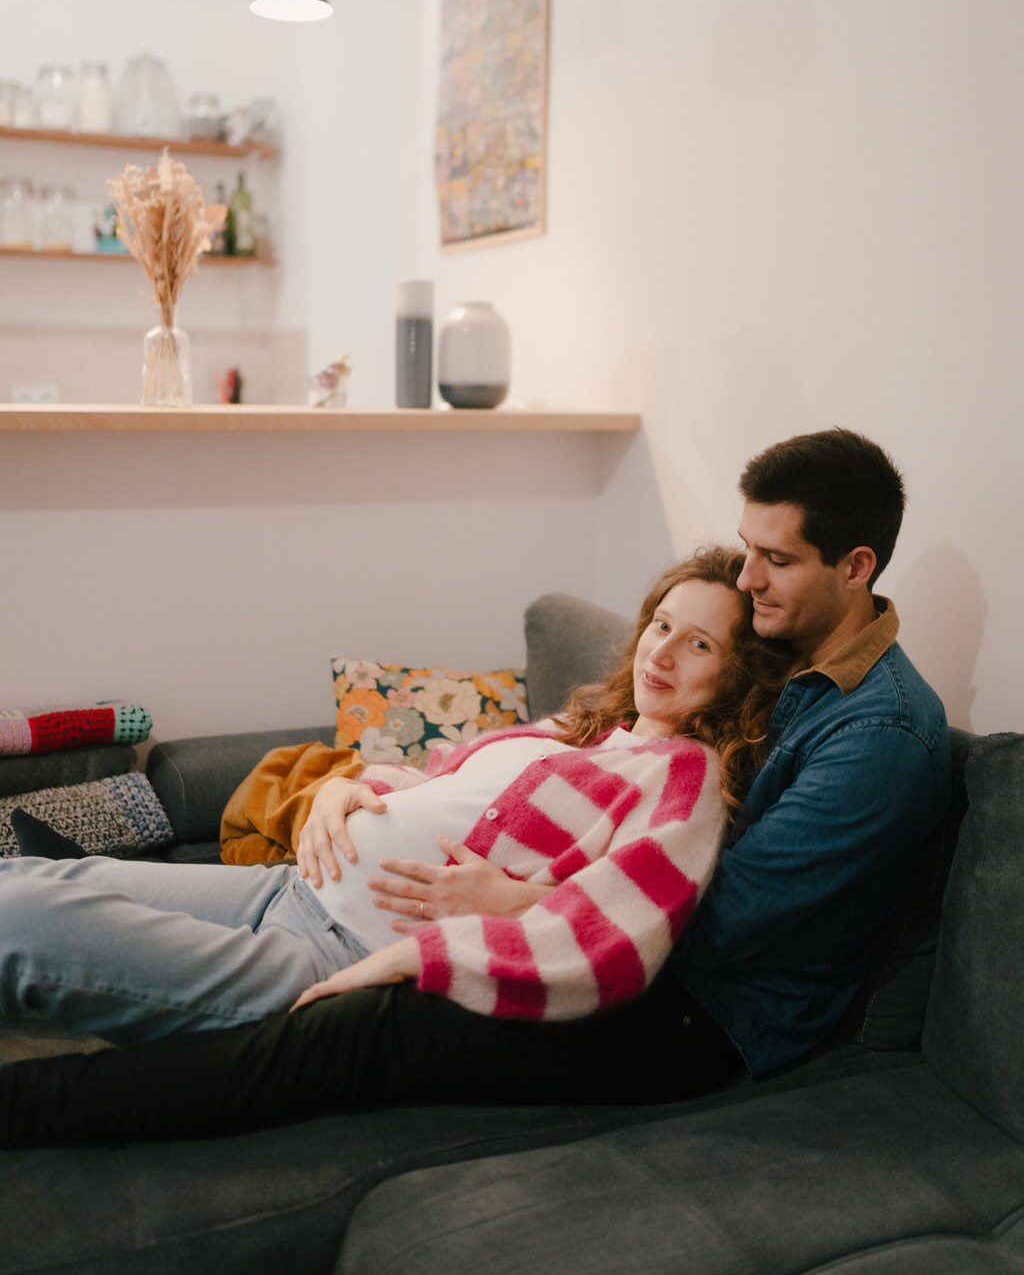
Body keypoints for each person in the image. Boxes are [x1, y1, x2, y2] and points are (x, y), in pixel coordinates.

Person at [0, 427, 951, 1146]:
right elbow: (478, 773)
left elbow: (716, 916)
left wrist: (512, 912)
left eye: (774, 562)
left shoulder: (877, 735)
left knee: (354, 1035)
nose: (748, 580)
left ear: (856, 567)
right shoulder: (731, 666)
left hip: (701, 1006)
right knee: (33, 897)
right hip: (314, 893)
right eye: (745, 552)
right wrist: (346, 787)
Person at [0, 547, 790, 1057]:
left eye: (700, 644)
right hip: (287, 887)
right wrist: (346, 788)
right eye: (661, 624)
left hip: (343, 951)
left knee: (25, 926)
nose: (662, 651)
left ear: (735, 674)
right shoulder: (585, 727)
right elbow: (438, 777)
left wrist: (467, 928)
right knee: (22, 884)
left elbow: (616, 941)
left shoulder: (680, 775)